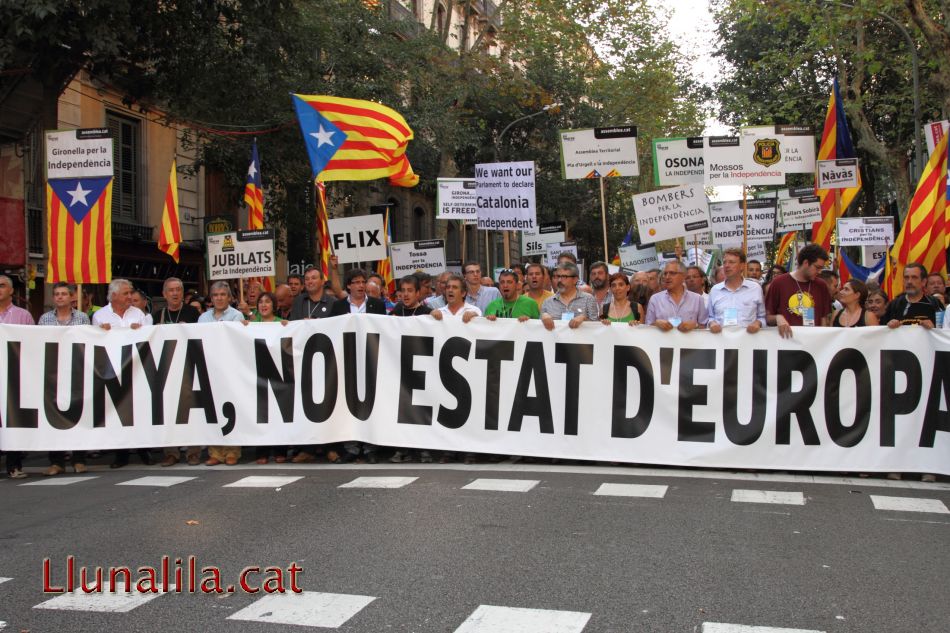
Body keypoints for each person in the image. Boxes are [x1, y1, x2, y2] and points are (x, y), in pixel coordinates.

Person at [92, 279, 152, 468]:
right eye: (126, 293)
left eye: (130, 293)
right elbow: (95, 342)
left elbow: (149, 339)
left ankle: (144, 450)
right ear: (114, 295)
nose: (130, 297)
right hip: (112, 370)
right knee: (118, 412)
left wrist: (140, 332)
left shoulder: (139, 314)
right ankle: (121, 454)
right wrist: (101, 332)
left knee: (139, 411)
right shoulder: (100, 316)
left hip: (135, 369)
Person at [37, 282, 90, 476]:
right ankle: (57, 461)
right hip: (52, 374)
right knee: (54, 417)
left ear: (71, 298)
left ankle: (79, 459)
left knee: (78, 415)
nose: (60, 297)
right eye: (57, 294)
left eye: (64, 294)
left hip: (76, 372)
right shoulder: (45, 319)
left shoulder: (83, 318)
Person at [152, 277, 202, 467]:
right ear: (164, 294)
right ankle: (171, 452)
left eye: (178, 290)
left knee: (191, 411)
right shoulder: (158, 315)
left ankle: (193, 452)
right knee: (169, 411)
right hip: (166, 369)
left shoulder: (192, 313)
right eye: (171, 290)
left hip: (189, 367)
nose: (175, 293)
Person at [288, 268, 337, 463]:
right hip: (304, 360)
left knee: (328, 404)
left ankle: (331, 447)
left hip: (327, 360)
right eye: (307, 279)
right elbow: (292, 326)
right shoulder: (299, 301)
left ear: (322, 281)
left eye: (314, 278)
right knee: (306, 404)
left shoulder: (332, 303)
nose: (309, 281)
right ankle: (307, 448)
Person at [388, 275, 436, 464]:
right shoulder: (395, 312)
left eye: (410, 291)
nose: (405, 295)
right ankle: (402, 448)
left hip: (421, 368)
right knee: (401, 410)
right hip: (399, 367)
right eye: (403, 291)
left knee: (420, 409)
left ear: (418, 293)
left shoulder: (427, 312)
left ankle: (425, 448)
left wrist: (435, 317)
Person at [200, 281, 243, 466]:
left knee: (232, 410)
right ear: (211, 298)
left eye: (222, 295)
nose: (219, 298)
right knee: (213, 411)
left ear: (229, 297)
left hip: (231, 369)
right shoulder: (203, 318)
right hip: (210, 369)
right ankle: (216, 452)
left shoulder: (236, 315)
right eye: (215, 295)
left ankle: (232, 451)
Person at [244, 292, 289, 465]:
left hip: (279, 374)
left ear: (274, 305)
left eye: (267, 302)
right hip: (258, 374)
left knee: (279, 413)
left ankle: (280, 450)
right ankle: (261, 451)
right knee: (261, 413)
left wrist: (289, 327)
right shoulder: (251, 325)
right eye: (260, 302)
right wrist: (243, 327)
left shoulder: (281, 323)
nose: (263, 305)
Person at [765, 243, 833, 338]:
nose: (820, 272)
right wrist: (778, 318)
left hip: (814, 344)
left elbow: (824, 319)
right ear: (806, 263)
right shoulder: (779, 283)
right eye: (817, 267)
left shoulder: (821, 285)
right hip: (786, 343)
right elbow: (767, 317)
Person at [707, 247, 766, 334]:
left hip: (747, 342)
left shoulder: (755, 289)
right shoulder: (715, 290)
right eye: (725, 262)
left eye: (731, 262)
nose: (726, 266)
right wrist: (712, 323)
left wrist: (758, 323)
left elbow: (762, 317)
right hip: (721, 343)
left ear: (742, 266)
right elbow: (710, 317)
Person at [645, 260, 708, 332]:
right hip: (663, 342)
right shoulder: (655, 299)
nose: (667, 277)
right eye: (665, 274)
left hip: (690, 342)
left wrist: (694, 325)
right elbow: (647, 327)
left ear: (684, 276)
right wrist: (656, 323)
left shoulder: (697, 299)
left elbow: (705, 326)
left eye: (672, 273)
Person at [540, 262, 598, 330]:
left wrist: (584, 318)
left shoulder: (588, 299)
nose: (559, 280)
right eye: (558, 276)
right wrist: (543, 316)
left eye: (564, 277)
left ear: (575, 279)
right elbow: (539, 329)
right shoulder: (547, 302)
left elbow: (596, 327)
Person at [882, 263, 942, 328]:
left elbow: (944, 332)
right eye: (906, 277)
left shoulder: (935, 303)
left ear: (923, 282)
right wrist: (889, 326)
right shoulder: (894, 304)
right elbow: (882, 332)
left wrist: (934, 328)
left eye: (914, 277)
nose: (909, 281)